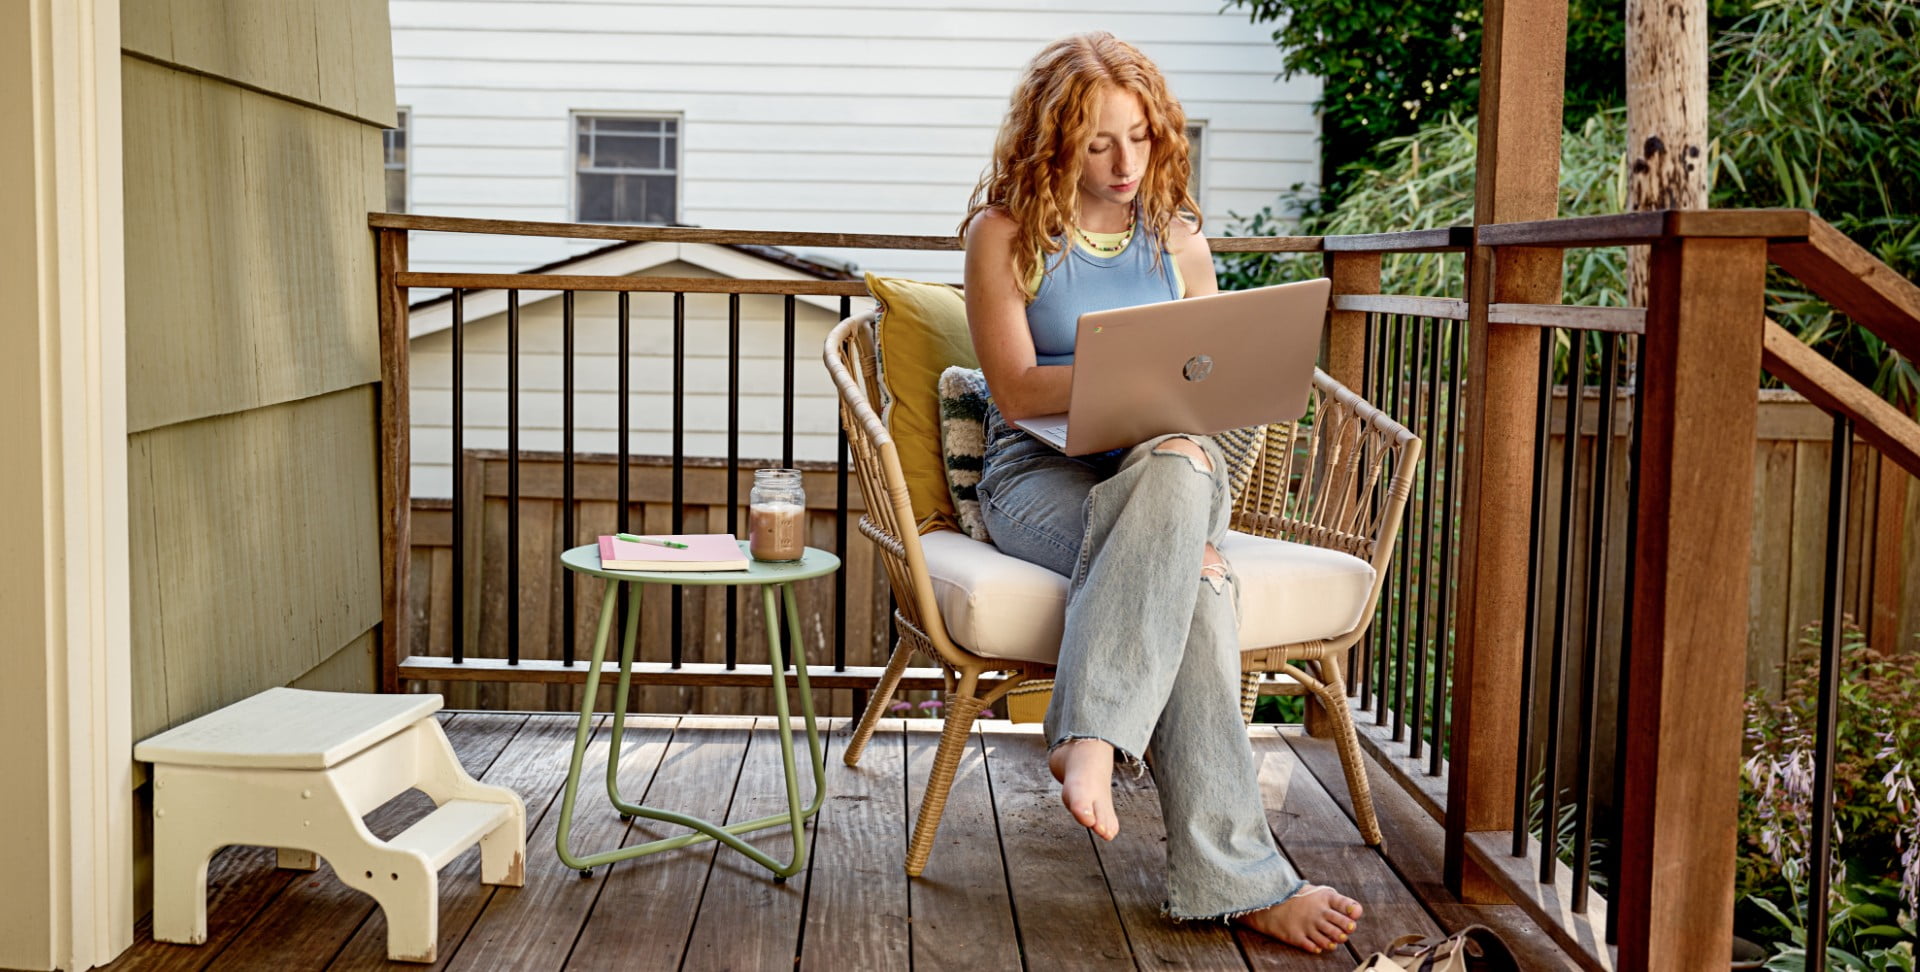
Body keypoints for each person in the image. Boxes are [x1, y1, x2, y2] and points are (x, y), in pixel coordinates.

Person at [958, 32, 1364, 955]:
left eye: (1141, 137)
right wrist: (1114, 373)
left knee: (1180, 460)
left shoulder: (1175, 230)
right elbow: (1017, 389)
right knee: (1203, 583)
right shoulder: (1007, 234)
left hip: (1176, 463)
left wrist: (1165, 393)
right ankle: (1245, 882)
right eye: (1100, 142)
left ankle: (1089, 732)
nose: (1126, 163)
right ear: (1053, 138)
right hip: (1042, 473)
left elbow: (1209, 375)